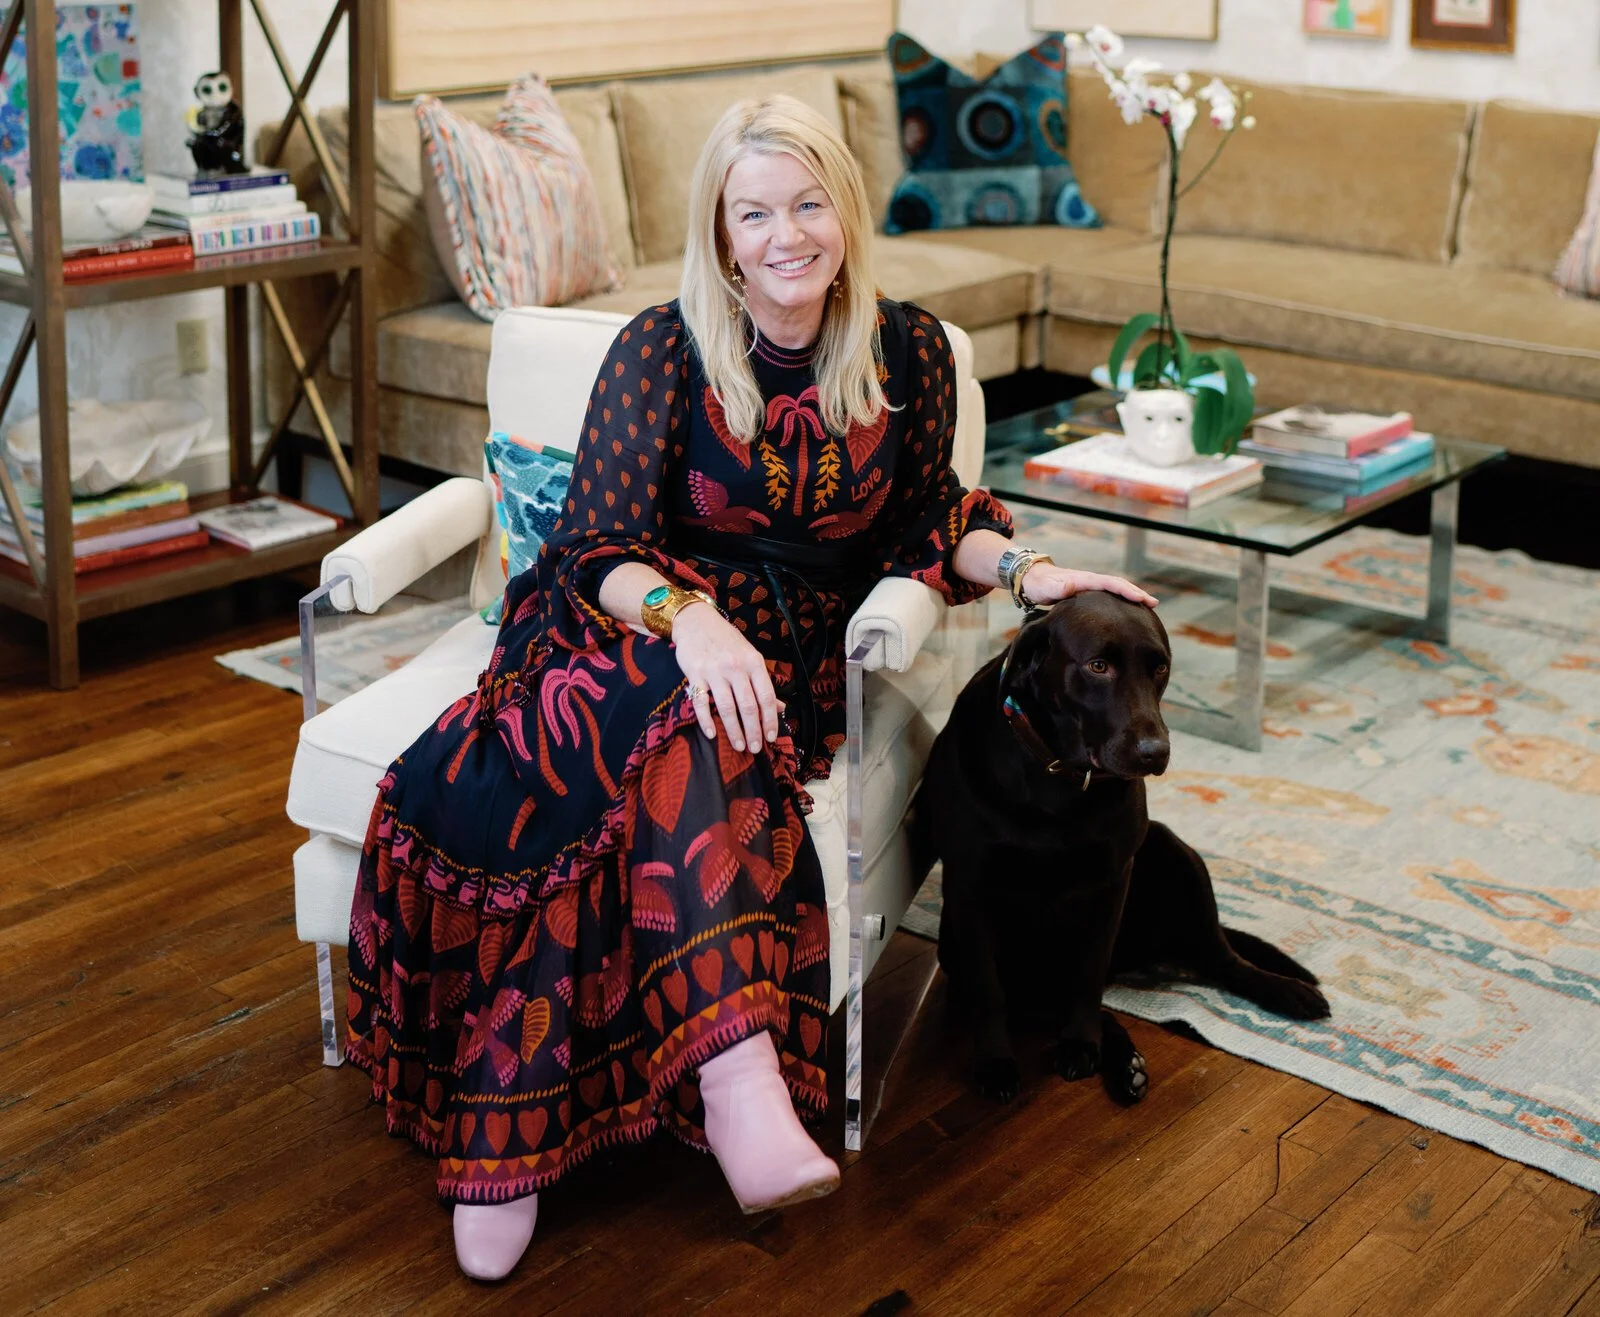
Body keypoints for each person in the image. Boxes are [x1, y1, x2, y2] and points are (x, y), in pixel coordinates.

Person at [343, 92, 1157, 1283]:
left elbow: (935, 519)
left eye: (810, 202)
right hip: (629, 624)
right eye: (755, 211)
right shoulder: (661, 346)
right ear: (722, 232)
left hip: (787, 654)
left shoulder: (908, 351)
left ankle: (526, 1137)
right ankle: (718, 1094)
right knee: (665, 722)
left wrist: (1031, 572)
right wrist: (694, 620)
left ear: (844, 209)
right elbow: (598, 546)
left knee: (715, 725)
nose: (787, 235)